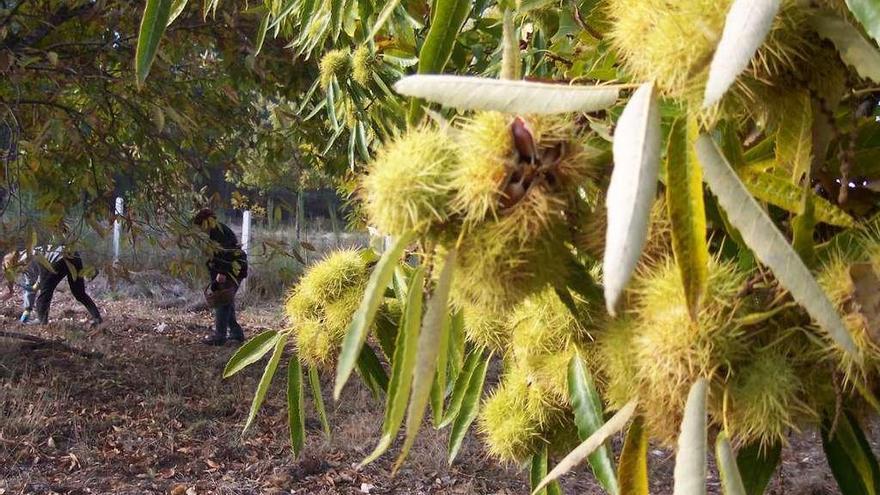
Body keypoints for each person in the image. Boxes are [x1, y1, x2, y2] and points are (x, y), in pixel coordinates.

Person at [1, 245, 102, 326]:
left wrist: (27, 309)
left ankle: (42, 322)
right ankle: (98, 319)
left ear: (12, 266)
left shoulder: (25, 260)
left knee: (44, 295)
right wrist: (27, 308)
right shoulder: (25, 258)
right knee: (79, 293)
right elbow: (32, 286)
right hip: (72, 254)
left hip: (58, 259)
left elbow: (38, 278)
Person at [192, 208, 248, 345]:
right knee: (226, 301)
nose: (201, 229)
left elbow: (226, 253)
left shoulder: (219, 232)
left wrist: (222, 273)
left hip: (231, 271)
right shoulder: (215, 232)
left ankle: (219, 336)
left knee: (222, 303)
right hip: (231, 270)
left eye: (201, 226)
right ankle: (236, 333)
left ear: (206, 222)